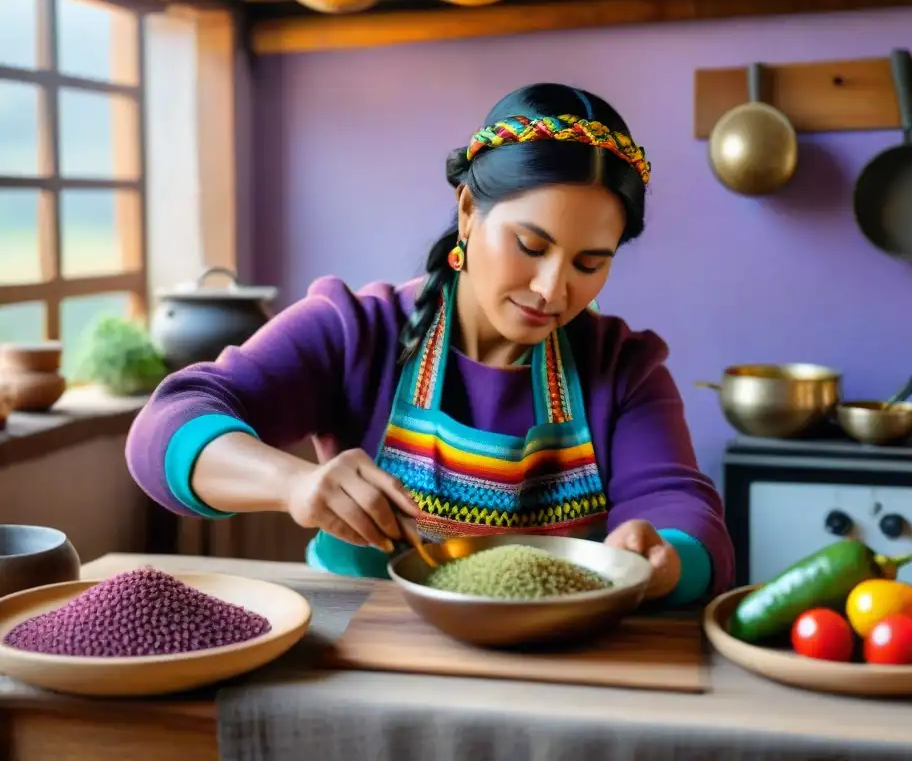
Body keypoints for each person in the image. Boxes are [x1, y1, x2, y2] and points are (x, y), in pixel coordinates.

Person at [126, 82, 735, 606]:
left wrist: (663, 559)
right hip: (360, 656)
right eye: (530, 246)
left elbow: (681, 507)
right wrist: (293, 485)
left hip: (556, 661)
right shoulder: (355, 333)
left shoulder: (622, 368)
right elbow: (167, 424)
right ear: (469, 211)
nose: (553, 289)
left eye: (589, 262)